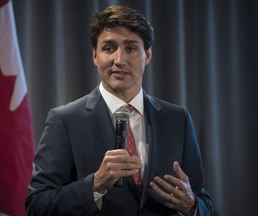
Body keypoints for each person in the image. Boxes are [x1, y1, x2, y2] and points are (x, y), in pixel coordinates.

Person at [25, 5, 212, 216]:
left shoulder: (178, 119)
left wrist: (191, 206)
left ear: (147, 55)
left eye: (130, 48)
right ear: (95, 55)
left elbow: (202, 200)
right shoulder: (65, 120)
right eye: (109, 48)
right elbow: (37, 205)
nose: (119, 60)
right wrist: (94, 185)